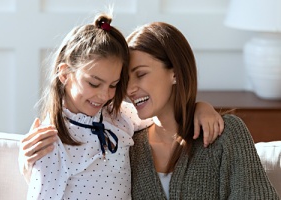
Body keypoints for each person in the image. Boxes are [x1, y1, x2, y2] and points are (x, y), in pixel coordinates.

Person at [20, 14, 224, 200]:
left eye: (114, 85)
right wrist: (26, 164)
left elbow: (163, 116)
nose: (104, 95)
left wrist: (200, 107)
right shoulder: (51, 141)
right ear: (64, 74)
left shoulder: (118, 116)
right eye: (94, 83)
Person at [126, 22, 280, 199]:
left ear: (175, 73)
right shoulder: (128, 145)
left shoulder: (226, 134)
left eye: (141, 74)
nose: (129, 89)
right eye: (125, 79)